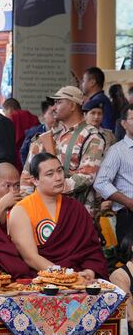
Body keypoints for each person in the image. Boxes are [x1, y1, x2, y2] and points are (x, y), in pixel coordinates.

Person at [9, 152, 108, 279]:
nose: (58, 178)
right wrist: (65, 276)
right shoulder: (21, 210)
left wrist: (89, 271)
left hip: (79, 276)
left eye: (60, 171)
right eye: (50, 174)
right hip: (41, 279)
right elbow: (31, 258)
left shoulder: (75, 208)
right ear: (34, 180)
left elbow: (91, 250)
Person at [25, 85, 107, 216]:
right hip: (42, 210)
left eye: (58, 102)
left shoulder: (91, 137)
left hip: (75, 212)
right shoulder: (49, 136)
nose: (53, 107)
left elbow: (86, 176)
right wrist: (25, 204)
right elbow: (28, 174)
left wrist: (51, 187)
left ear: (73, 106)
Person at [95, 104, 133, 243]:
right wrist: (129, 202)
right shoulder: (117, 151)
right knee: (130, 262)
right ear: (123, 123)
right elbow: (101, 182)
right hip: (129, 215)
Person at [20, 99, 56, 166]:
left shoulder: (62, 131)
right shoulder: (34, 132)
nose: (55, 116)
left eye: (56, 113)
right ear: (43, 115)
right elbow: (24, 152)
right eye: (52, 113)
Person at [82, 66, 117, 131]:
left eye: (83, 81)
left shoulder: (100, 101)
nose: (82, 84)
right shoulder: (98, 99)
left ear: (92, 82)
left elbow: (107, 128)